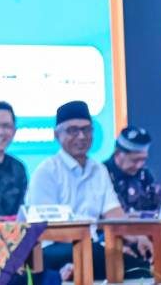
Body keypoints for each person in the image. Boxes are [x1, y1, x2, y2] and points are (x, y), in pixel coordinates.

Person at [26, 100, 151, 280]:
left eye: (86, 129)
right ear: (56, 135)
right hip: (52, 249)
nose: (81, 136)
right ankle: (68, 270)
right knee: (98, 253)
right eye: (72, 130)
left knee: (140, 270)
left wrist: (137, 237)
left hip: (90, 248)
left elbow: (114, 213)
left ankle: (74, 270)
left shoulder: (99, 170)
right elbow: (42, 227)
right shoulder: (46, 172)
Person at [104, 126, 161, 214]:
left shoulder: (145, 175)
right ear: (118, 153)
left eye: (143, 160)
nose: (139, 165)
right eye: (135, 160)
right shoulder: (101, 174)